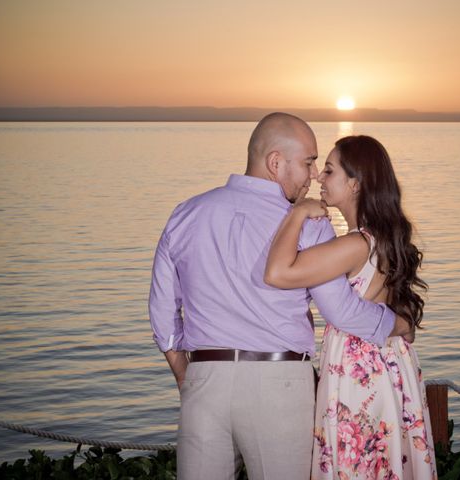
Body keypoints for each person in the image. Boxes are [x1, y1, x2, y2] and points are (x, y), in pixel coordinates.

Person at [149, 113, 412, 480]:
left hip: (205, 379)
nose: (313, 175)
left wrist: (184, 373)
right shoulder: (310, 222)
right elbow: (340, 310)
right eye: (307, 162)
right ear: (276, 162)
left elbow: (162, 310)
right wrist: (396, 324)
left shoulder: (186, 214)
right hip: (281, 385)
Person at [265, 135, 437, 479]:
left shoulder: (357, 244)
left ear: (355, 184)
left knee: (359, 465)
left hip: (361, 371)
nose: (318, 178)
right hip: (390, 362)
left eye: (329, 171)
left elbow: (277, 271)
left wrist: (297, 213)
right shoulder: (383, 239)